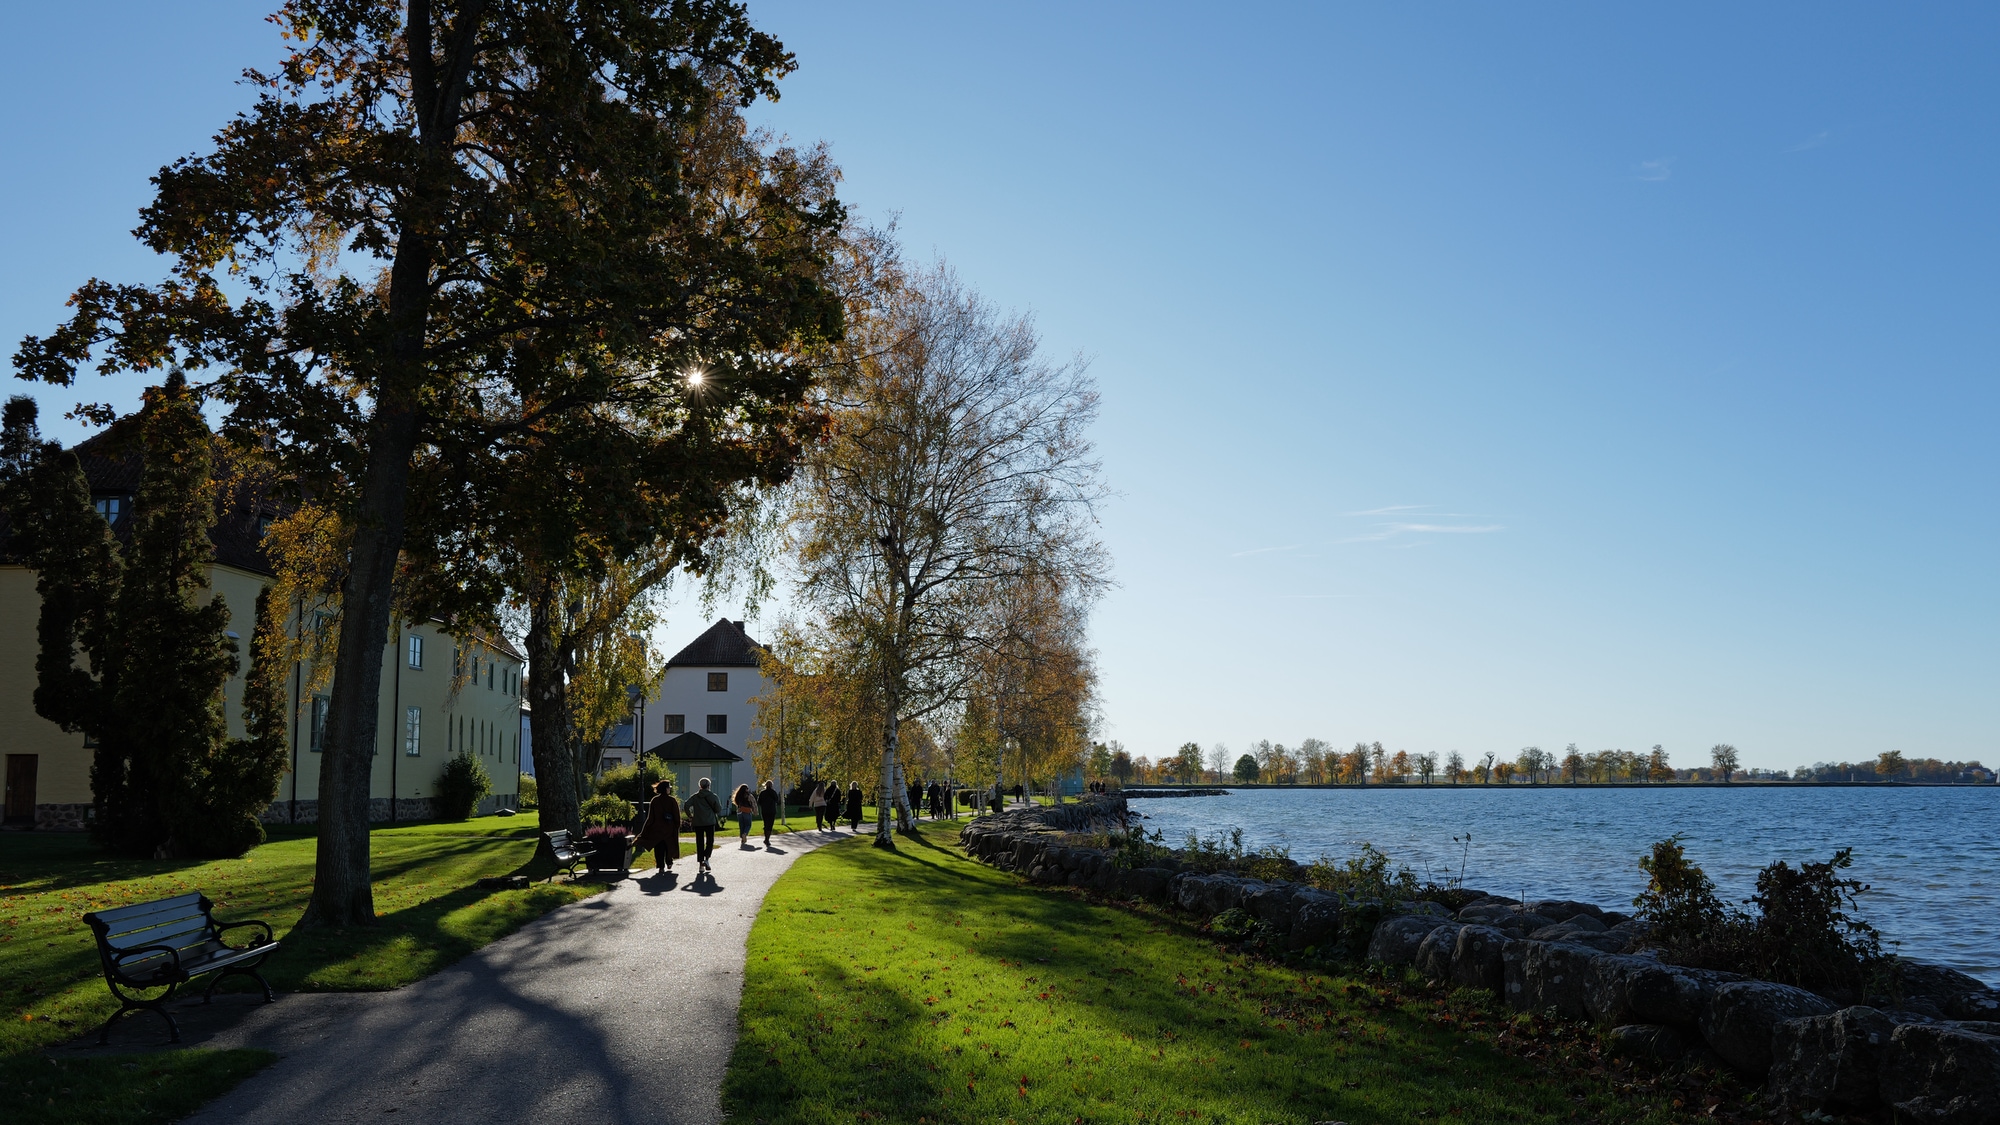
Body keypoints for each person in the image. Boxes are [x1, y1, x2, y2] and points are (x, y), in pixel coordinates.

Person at [630, 779, 681, 874]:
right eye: (669, 788)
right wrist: (676, 826)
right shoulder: (672, 800)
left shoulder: (655, 800)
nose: (669, 789)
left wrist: (646, 829)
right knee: (669, 846)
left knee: (659, 848)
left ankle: (661, 866)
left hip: (657, 829)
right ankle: (669, 862)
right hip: (669, 829)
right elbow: (676, 815)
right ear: (666, 789)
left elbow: (651, 817)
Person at [685, 777, 724, 872]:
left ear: (700, 786)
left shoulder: (695, 797)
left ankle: (700, 864)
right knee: (710, 841)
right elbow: (718, 809)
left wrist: (690, 815)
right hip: (710, 822)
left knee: (700, 842)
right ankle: (707, 858)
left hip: (698, 822)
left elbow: (686, 805)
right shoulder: (713, 796)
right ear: (709, 786)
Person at [757, 780, 780, 846]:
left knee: (765, 824)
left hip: (764, 810)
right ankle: (767, 839)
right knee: (770, 825)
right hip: (772, 811)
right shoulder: (773, 792)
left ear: (765, 785)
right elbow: (777, 800)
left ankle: (766, 839)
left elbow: (759, 802)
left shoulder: (762, 793)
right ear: (772, 785)